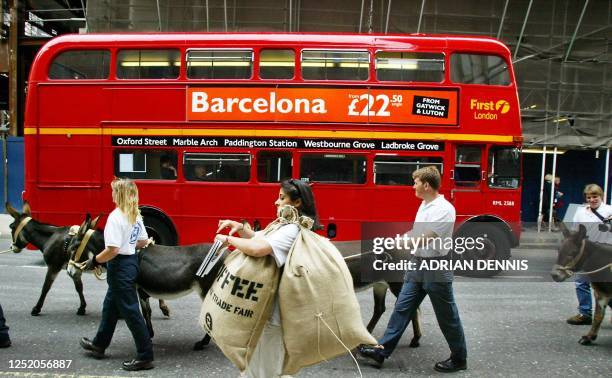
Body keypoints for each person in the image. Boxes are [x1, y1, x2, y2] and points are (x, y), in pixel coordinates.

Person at [358, 166, 467, 373]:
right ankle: (382, 351)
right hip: (417, 263)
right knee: (402, 308)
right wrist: (395, 240)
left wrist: (397, 244)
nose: (413, 186)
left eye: (415, 182)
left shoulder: (444, 209)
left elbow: (424, 237)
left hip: (436, 266)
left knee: (447, 316)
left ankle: (459, 358)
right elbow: (414, 232)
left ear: (426, 185)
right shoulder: (425, 205)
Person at [215, 178, 320, 378]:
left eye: (281, 198)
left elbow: (259, 248)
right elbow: (258, 237)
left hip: (275, 312)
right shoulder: (283, 225)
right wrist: (238, 226)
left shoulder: (292, 229)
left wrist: (228, 240)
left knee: (267, 369)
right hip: (267, 308)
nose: (276, 202)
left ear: (297, 203)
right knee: (260, 366)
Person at [79, 178, 154, 371]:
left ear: (118, 194)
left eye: (113, 191)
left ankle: (145, 356)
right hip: (131, 263)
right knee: (110, 307)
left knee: (131, 312)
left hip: (119, 267)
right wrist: (128, 246)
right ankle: (99, 345)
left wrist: (94, 260)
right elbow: (143, 241)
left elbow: (112, 250)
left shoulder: (115, 216)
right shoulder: (135, 215)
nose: (111, 194)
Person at [566, 183, 612, 325]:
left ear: (601, 196)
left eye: (595, 196)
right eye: (589, 197)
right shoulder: (580, 211)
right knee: (581, 282)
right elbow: (575, 231)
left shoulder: (609, 210)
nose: (592, 199)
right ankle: (585, 313)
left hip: (606, 253)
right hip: (587, 254)